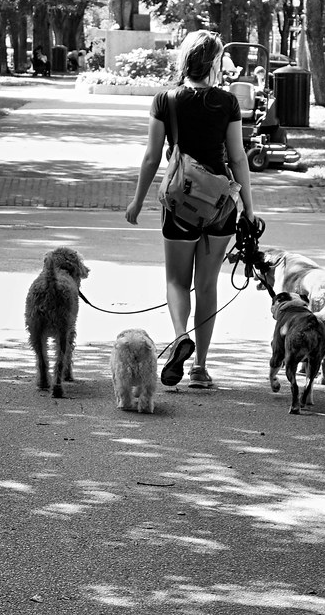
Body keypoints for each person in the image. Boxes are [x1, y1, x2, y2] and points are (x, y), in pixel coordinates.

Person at [125, 30, 257, 390]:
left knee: (176, 281)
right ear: (214, 63)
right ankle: (200, 367)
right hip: (220, 206)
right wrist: (248, 207)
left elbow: (152, 156)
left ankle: (182, 335)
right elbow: (238, 157)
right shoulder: (228, 102)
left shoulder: (165, 100)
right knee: (207, 284)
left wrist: (137, 200)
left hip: (181, 204)